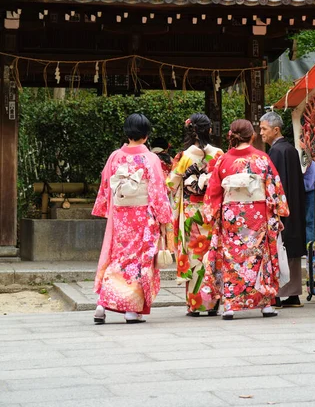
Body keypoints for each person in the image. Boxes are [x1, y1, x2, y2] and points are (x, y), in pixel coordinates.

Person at [202, 119, 289, 320]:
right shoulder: (262, 159)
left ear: (231, 136)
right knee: (259, 257)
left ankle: (230, 305)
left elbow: (213, 191)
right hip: (257, 214)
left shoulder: (223, 160)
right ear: (252, 136)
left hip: (231, 216)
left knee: (232, 257)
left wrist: (212, 213)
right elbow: (274, 188)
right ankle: (265, 303)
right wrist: (277, 209)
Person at [92, 113, 172, 324]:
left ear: (126, 133)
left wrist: (108, 208)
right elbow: (157, 189)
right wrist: (164, 217)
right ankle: (130, 310)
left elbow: (106, 185)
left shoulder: (115, 156)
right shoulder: (150, 159)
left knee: (118, 256)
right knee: (138, 260)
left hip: (120, 214)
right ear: (146, 136)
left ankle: (102, 304)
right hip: (143, 215)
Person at [167, 113, 223, 316]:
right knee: (212, 255)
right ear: (209, 130)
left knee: (194, 257)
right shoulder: (218, 154)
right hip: (211, 211)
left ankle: (195, 305)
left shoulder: (184, 156)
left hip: (192, 213)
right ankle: (213, 303)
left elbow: (171, 184)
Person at [260, 111, 306, 308]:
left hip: (282, 207)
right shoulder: (290, 150)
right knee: (292, 249)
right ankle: (294, 294)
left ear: (275, 129)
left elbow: (276, 185)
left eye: (264, 129)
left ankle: (277, 294)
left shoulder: (277, 152)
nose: (261, 133)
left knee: (280, 248)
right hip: (295, 205)